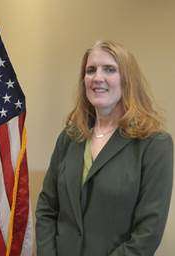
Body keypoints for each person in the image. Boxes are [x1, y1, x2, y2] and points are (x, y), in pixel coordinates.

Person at [35, 40, 173, 256]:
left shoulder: (155, 144)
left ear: (128, 80)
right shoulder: (69, 138)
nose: (97, 78)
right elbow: (47, 208)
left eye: (109, 69)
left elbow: (148, 232)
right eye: (91, 70)